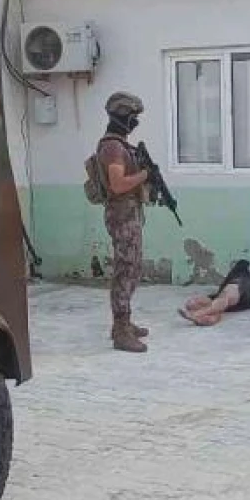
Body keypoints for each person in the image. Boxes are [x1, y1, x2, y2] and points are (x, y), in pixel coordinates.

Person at [96, 92, 152, 353]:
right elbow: (117, 185)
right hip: (121, 215)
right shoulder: (113, 147)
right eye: (133, 117)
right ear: (121, 117)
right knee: (125, 269)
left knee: (133, 268)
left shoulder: (121, 145)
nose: (135, 122)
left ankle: (125, 322)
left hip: (128, 213)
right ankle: (120, 331)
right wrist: (144, 175)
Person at [178, 260, 250, 326]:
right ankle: (211, 319)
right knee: (191, 304)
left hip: (241, 288)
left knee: (225, 296)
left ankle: (198, 314)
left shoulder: (246, 269)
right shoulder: (235, 274)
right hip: (233, 296)